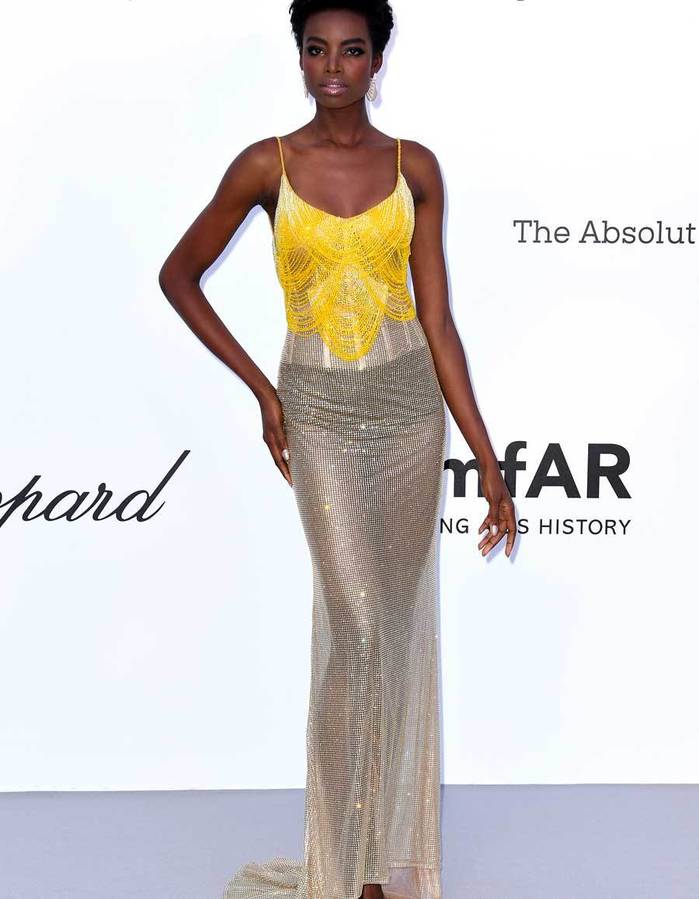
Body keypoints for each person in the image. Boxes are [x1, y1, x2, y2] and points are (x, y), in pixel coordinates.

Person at [158, 2, 517, 896]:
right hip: (316, 412)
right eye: (315, 49)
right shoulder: (265, 165)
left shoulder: (414, 168)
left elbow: (437, 322)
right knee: (355, 628)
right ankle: (342, 862)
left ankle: (375, 867)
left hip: (409, 412)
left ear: (376, 61)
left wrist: (485, 459)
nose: (332, 67)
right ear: (299, 59)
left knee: (391, 632)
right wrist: (264, 389)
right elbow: (179, 275)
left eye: (351, 51)